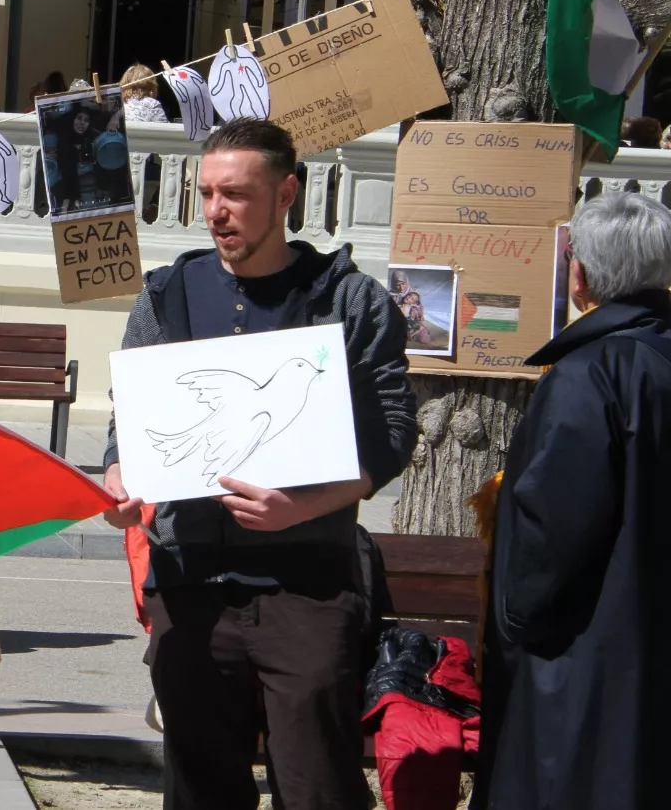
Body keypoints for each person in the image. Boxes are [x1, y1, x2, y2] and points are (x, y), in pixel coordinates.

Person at [102, 118, 416, 810]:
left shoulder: (349, 300)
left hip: (307, 586)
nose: (216, 211)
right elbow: (129, 419)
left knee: (317, 791)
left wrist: (303, 506)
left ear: (285, 195)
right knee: (200, 789)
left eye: (236, 195)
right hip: (189, 588)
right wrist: (120, 475)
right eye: (207, 193)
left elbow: (394, 433)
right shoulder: (166, 296)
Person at [476, 191, 671, 810]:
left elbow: (554, 530)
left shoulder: (592, 373)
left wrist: (514, 619)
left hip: (585, 656)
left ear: (579, 273)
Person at [52, 102, 125, 212]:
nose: (82, 123)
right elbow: (67, 169)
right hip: (70, 186)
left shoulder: (94, 138)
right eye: (79, 118)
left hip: (96, 187)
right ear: (73, 119)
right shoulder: (64, 139)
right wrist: (73, 197)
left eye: (86, 120)